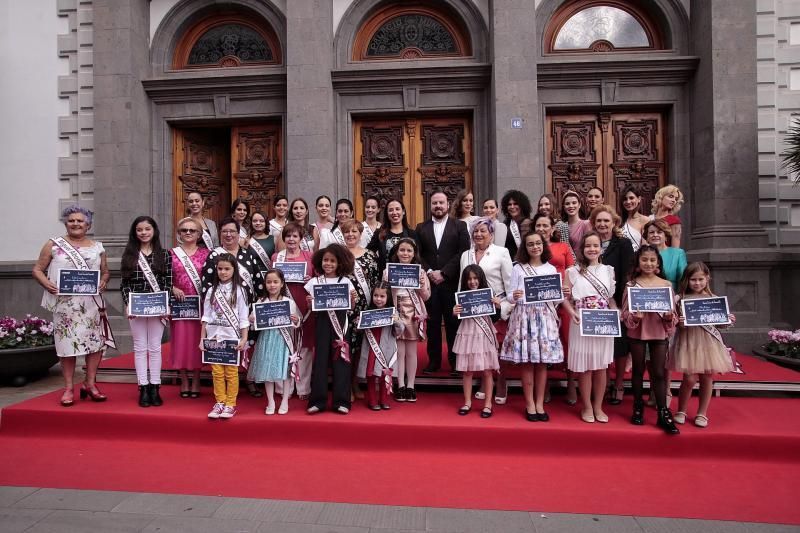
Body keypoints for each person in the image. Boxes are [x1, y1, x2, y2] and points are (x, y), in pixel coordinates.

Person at [32, 205, 112, 407]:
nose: (75, 224)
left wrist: (103, 282)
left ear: (88, 225)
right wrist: (46, 283)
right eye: (71, 220)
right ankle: (68, 388)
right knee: (67, 347)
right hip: (65, 307)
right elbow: (37, 269)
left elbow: (105, 272)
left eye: (80, 221)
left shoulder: (98, 247)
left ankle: (90, 384)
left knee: (95, 344)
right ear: (66, 223)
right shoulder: (53, 244)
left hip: (91, 304)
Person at [500, 231, 564, 422]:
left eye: (538, 243)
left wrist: (563, 293)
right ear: (525, 247)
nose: (535, 247)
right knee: (527, 363)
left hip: (544, 318)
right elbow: (509, 295)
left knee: (542, 363)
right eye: (530, 244)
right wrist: (515, 296)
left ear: (543, 245)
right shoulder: (519, 268)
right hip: (524, 317)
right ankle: (529, 404)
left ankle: (539, 403)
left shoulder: (551, 270)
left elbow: (556, 299)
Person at [201, 217, 265, 398]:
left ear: (239, 234)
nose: (229, 235)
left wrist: (256, 308)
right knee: (226, 350)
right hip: (221, 315)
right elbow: (206, 286)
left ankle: (249, 379)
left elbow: (259, 284)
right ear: (220, 234)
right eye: (225, 232)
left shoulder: (249, 255)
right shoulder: (214, 255)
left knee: (247, 345)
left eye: (232, 232)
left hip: (246, 313)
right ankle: (224, 392)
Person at [621, 245, 679, 434]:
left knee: (659, 373)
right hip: (638, 332)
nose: (648, 263)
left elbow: (673, 315)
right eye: (644, 260)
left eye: (652, 260)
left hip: (658, 332)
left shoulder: (666, 285)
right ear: (638, 263)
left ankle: (663, 411)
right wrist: (634, 318)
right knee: (638, 370)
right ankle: (638, 407)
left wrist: (670, 317)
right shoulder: (631, 285)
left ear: (658, 264)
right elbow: (624, 313)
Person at [671, 262, 736, 428]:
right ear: (687, 280)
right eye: (693, 279)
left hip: (708, 343)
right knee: (689, 378)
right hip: (689, 342)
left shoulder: (714, 300)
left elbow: (719, 325)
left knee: (707, 377)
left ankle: (702, 412)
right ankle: (681, 410)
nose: (697, 283)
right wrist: (680, 323)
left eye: (701, 279)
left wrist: (728, 320)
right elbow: (673, 323)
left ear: (707, 279)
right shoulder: (680, 299)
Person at [563, 232, 616, 423]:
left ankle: (598, 406)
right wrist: (571, 313)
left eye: (596, 245)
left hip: (602, 323)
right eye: (588, 246)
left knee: (601, 367)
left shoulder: (608, 270)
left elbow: (610, 299)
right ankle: (586, 406)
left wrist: (615, 312)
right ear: (582, 249)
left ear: (601, 248)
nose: (592, 249)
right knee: (585, 368)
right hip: (581, 322)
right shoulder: (572, 271)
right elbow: (565, 298)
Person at [415, 191, 470, 374]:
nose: (438, 206)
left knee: (453, 324)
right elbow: (418, 254)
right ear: (430, 206)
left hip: (451, 283)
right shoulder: (421, 227)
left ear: (448, 205)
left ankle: (455, 363)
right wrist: (430, 272)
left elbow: (463, 252)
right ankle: (434, 362)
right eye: (434, 203)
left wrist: (445, 273)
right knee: (432, 325)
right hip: (430, 285)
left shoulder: (460, 226)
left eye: (441, 203)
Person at [120, 216, 173, 408]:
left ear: (154, 231)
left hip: (158, 306)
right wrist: (127, 304)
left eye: (147, 229)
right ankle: (143, 386)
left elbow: (168, 281)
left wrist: (166, 304)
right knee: (140, 347)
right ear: (135, 233)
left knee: (155, 347)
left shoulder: (165, 254)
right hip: (137, 307)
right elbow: (124, 283)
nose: (143, 233)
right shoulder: (129, 254)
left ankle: (155, 386)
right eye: (139, 229)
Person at [459, 217, 513, 401]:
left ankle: (502, 384)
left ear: (491, 234)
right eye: (476, 231)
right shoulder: (466, 254)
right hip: (472, 311)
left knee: (496, 348)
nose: (479, 234)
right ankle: (484, 383)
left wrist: (505, 305)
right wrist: (461, 306)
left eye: (483, 231)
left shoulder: (501, 252)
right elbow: (462, 283)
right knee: (479, 348)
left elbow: (509, 284)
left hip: (495, 308)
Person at [304, 244, 357, 414]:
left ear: (340, 263)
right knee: (320, 361)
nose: (328, 264)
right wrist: (309, 302)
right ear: (320, 261)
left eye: (333, 261)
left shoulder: (346, 281)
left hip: (341, 325)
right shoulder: (314, 282)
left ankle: (342, 401)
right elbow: (311, 308)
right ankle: (318, 401)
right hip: (322, 324)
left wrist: (352, 299)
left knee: (341, 360)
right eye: (326, 260)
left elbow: (352, 308)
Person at [590, 204, 634, 406]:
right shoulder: (590, 243)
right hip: (597, 304)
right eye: (598, 220)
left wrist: (621, 303)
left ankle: (618, 384)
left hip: (617, 301)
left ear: (614, 222)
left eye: (606, 220)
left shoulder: (623, 244)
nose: (602, 224)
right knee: (603, 343)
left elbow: (627, 274)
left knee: (620, 344)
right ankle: (605, 383)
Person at [532, 213, 577, 404]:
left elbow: (572, 271)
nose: (542, 228)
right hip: (541, 303)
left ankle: (571, 383)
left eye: (545, 225)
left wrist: (569, 290)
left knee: (568, 340)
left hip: (563, 300)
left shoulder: (563, 247)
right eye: (538, 225)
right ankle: (545, 385)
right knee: (543, 341)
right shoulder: (532, 248)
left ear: (552, 228)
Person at [200, 253, 250, 419]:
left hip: (232, 337)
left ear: (234, 270)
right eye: (220, 268)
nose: (223, 272)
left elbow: (244, 317)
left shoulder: (240, 291)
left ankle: (230, 403)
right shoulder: (211, 291)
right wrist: (202, 339)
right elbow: (206, 317)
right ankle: (219, 401)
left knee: (231, 372)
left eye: (227, 269)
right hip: (214, 337)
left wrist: (244, 338)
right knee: (217, 372)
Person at [248, 269, 301, 415]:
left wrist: (295, 320)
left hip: (283, 341)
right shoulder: (261, 301)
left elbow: (295, 323)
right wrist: (251, 319)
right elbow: (252, 320)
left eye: (275, 282)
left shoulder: (288, 302)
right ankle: (270, 401)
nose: (272, 285)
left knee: (285, 370)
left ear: (282, 283)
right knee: (267, 371)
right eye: (269, 282)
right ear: (265, 284)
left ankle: (285, 400)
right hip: (266, 340)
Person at [272, 222, 315, 401]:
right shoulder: (276, 257)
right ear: (284, 238)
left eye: (295, 236)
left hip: (304, 306)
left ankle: (303, 387)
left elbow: (317, 280)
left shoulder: (309, 256)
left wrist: (310, 278)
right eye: (288, 236)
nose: (291, 239)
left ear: (301, 238)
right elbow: (272, 280)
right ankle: (284, 388)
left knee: (305, 347)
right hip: (284, 306)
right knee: (284, 346)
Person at [384, 238, 430, 402]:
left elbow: (426, 296)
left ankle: (411, 385)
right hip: (396, 310)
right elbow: (384, 295)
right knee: (399, 351)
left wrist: (422, 285)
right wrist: (390, 284)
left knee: (411, 352)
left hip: (413, 311)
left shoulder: (421, 272)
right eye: (402, 250)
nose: (405, 253)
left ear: (414, 253)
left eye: (409, 251)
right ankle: (400, 384)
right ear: (397, 252)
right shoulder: (388, 271)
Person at [169, 217, 210, 399]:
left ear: (199, 234)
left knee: (196, 343)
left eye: (192, 230)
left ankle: (196, 379)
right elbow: (163, 278)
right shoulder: (171, 253)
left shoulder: (207, 254)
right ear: (179, 233)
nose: (188, 233)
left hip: (200, 305)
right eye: (184, 230)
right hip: (180, 306)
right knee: (181, 342)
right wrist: (172, 287)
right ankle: (184, 378)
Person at [453, 265, 501, 419]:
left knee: (487, 371)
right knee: (467, 371)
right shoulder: (462, 296)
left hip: (484, 333)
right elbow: (456, 318)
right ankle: (467, 402)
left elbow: (496, 316)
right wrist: (454, 312)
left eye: (475, 278)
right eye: (469, 279)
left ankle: (488, 404)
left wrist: (497, 305)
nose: (473, 282)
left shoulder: (489, 294)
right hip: (467, 332)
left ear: (481, 279)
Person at [341, 218, 380, 397]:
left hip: (364, 307)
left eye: (354, 231)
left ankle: (355, 383)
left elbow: (375, 281)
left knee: (359, 348)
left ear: (360, 233)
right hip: (344, 308)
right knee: (345, 346)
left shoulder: (370, 255)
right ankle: (345, 384)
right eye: (347, 231)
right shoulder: (338, 255)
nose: (350, 235)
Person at [357, 281, 403, 411]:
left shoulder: (393, 313)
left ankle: (383, 400)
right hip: (372, 348)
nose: (378, 299)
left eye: (382, 296)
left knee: (385, 374)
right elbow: (360, 331)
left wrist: (397, 322)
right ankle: (372, 400)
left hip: (386, 350)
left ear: (388, 297)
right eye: (376, 295)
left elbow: (399, 332)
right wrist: (358, 323)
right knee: (371, 375)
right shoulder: (367, 313)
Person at [369, 198, 416, 272]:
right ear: (387, 214)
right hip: (385, 278)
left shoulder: (412, 234)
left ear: (403, 212)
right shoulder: (379, 233)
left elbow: (418, 257)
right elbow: (369, 253)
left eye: (397, 209)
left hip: (407, 277)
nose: (394, 212)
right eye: (391, 210)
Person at [644, 219, 687, 291]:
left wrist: (679, 296)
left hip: (672, 296)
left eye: (659, 232)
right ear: (647, 237)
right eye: (651, 232)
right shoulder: (641, 255)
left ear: (666, 236)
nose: (655, 235)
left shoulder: (678, 253)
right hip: (647, 296)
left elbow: (684, 280)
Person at [500, 190, 532, 259]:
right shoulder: (505, 224)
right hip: (508, 262)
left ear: (522, 205)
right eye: (509, 204)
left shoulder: (529, 224)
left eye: (515, 204)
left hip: (524, 263)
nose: (512, 207)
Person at [561, 190, 590, 256]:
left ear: (579, 205)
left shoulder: (586, 224)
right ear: (564, 207)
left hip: (582, 262)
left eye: (574, 203)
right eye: (567, 204)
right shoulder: (561, 226)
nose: (571, 206)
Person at [620, 186, 647, 252]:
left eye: (631, 198)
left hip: (636, 259)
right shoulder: (618, 220)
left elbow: (645, 247)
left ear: (639, 199)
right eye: (625, 199)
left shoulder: (645, 220)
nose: (628, 201)